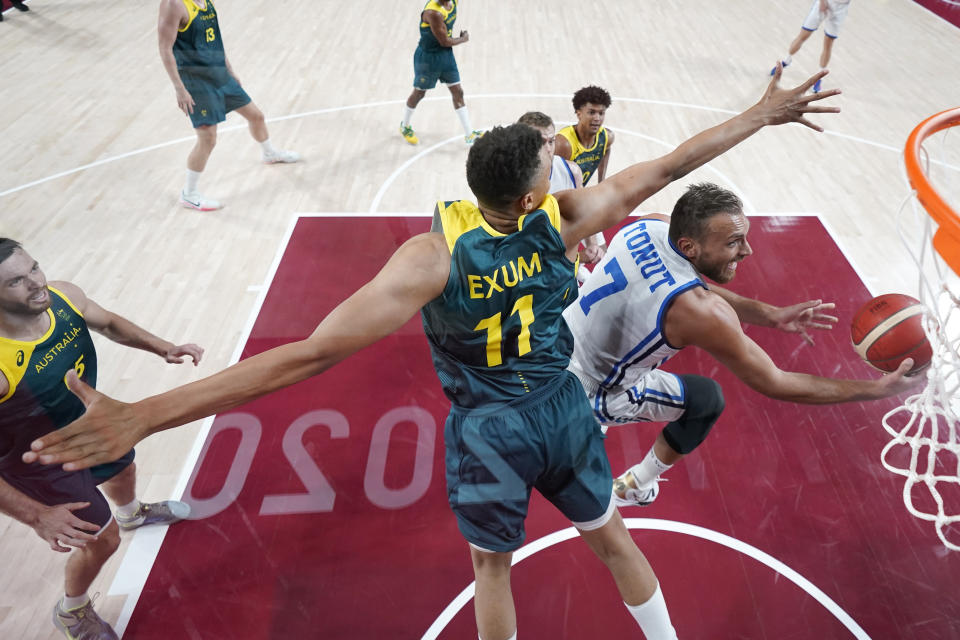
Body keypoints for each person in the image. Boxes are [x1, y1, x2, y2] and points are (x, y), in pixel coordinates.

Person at [27, 70, 839, 640]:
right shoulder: (564, 223)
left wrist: (147, 413)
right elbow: (674, 163)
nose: (561, 156)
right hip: (562, 408)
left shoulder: (432, 256)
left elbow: (303, 358)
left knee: (492, 572)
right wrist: (759, 114)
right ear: (529, 195)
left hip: (488, 430)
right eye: (550, 156)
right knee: (616, 540)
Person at [563, 183, 920, 508]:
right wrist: (876, 389)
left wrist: (768, 314)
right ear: (689, 246)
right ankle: (633, 485)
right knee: (705, 404)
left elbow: (684, 281)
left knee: (701, 394)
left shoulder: (650, 226)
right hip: (587, 392)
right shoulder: (700, 312)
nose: (748, 250)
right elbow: (776, 382)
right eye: (734, 242)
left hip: (555, 344)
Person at [0, 239, 203, 639]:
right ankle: (72, 610)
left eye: (34, 268)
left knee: (124, 466)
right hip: (39, 462)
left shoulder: (62, 296)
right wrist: (36, 515)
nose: (36, 283)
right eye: (15, 283)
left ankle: (132, 513)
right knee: (101, 540)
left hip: (87, 424)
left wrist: (163, 347)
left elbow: (108, 323)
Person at [158, 0, 300, 212]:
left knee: (256, 116)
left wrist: (229, 69)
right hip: (197, 82)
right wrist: (179, 88)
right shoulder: (174, 4)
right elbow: (165, 48)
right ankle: (189, 194)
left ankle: (269, 154)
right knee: (208, 138)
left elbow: (214, 39)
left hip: (220, 75)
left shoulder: (206, 1)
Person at [517, 110, 606, 279]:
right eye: (539, 142)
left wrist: (592, 246)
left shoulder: (571, 171)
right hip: (527, 265)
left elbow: (582, 213)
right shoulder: (512, 180)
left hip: (563, 255)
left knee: (604, 250)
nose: (548, 149)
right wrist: (576, 258)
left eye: (551, 141)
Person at [400, 0, 482, 146]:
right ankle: (404, 126)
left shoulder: (453, 2)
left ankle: (469, 134)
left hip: (446, 56)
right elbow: (444, 41)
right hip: (428, 58)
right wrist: (463, 39)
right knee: (419, 93)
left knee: (458, 92)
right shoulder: (434, 13)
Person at [769, 0, 853, 93]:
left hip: (840, 9)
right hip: (825, 2)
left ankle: (819, 77)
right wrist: (822, 2)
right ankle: (786, 60)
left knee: (828, 44)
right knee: (803, 35)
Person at [555, 85, 615, 186]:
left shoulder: (606, 138)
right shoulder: (563, 144)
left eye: (601, 113)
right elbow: (551, 178)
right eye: (591, 112)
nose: (597, 118)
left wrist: (601, 183)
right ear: (579, 114)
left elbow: (606, 150)